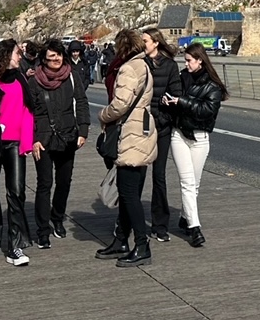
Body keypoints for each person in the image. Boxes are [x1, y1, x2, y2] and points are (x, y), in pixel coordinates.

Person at [95, 28, 157, 267]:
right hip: (141, 130)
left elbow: (121, 103)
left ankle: (142, 245)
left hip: (130, 134)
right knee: (128, 190)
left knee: (129, 194)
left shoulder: (129, 68)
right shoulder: (144, 65)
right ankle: (121, 239)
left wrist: (103, 115)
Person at [161, 41, 227, 247]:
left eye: (189, 60)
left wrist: (181, 103)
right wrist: (168, 102)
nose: (186, 64)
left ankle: (184, 217)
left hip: (200, 138)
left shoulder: (213, 86)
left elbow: (207, 110)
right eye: (185, 60)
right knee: (187, 182)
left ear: (200, 60)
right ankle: (195, 228)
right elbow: (175, 99)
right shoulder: (182, 78)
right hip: (179, 135)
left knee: (195, 184)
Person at [26, 38, 90, 249]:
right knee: (44, 184)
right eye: (51, 56)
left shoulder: (71, 76)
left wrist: (83, 130)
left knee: (64, 181)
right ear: (43, 59)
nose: (56, 59)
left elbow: (81, 102)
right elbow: (29, 112)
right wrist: (32, 139)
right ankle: (42, 229)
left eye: (58, 55)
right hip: (42, 138)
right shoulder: (35, 81)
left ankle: (57, 217)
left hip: (68, 135)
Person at [0, 39, 33, 266]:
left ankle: (16, 245)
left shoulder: (21, 79)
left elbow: (28, 111)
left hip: (15, 143)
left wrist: (27, 143)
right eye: (17, 53)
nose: (20, 57)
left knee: (17, 192)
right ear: (5, 55)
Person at [143, 28, 182, 242]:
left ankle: (160, 225)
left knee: (159, 176)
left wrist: (163, 117)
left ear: (156, 42)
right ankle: (129, 221)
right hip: (140, 128)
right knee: (136, 174)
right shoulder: (139, 64)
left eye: (146, 41)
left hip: (161, 127)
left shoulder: (169, 66)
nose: (143, 44)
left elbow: (175, 94)